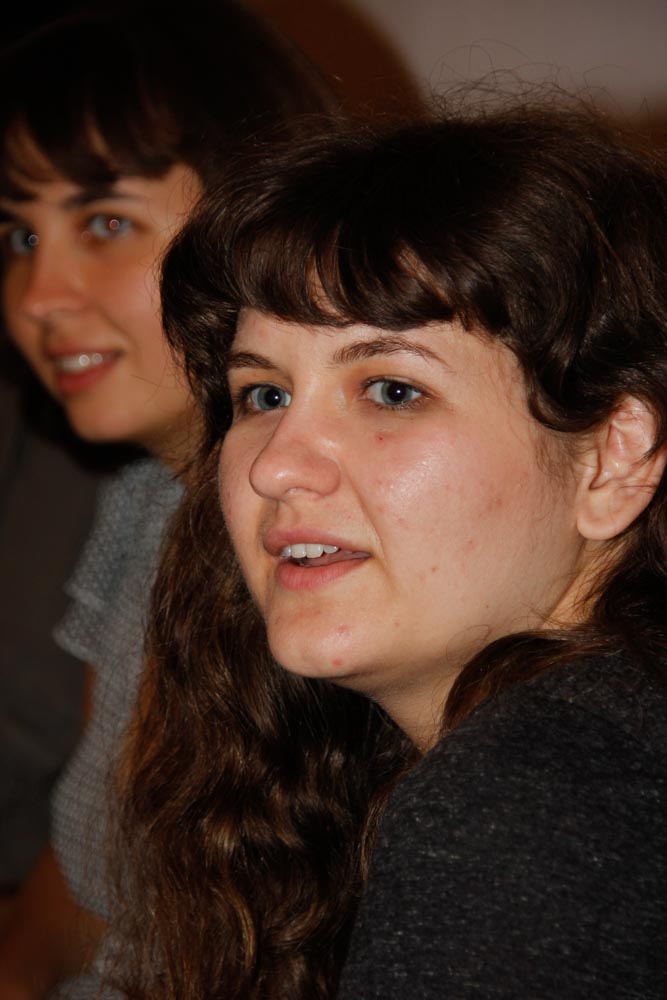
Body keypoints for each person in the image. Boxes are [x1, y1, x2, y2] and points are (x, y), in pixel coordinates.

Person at [119, 101, 667, 999]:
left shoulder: (542, 789)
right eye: (262, 396)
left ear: (612, 457)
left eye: (390, 390)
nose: (275, 466)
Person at [0, 2, 335, 996]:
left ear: (256, 215)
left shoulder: (324, 546)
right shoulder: (146, 498)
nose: (38, 294)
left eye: (105, 222)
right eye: (16, 233)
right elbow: (81, 878)